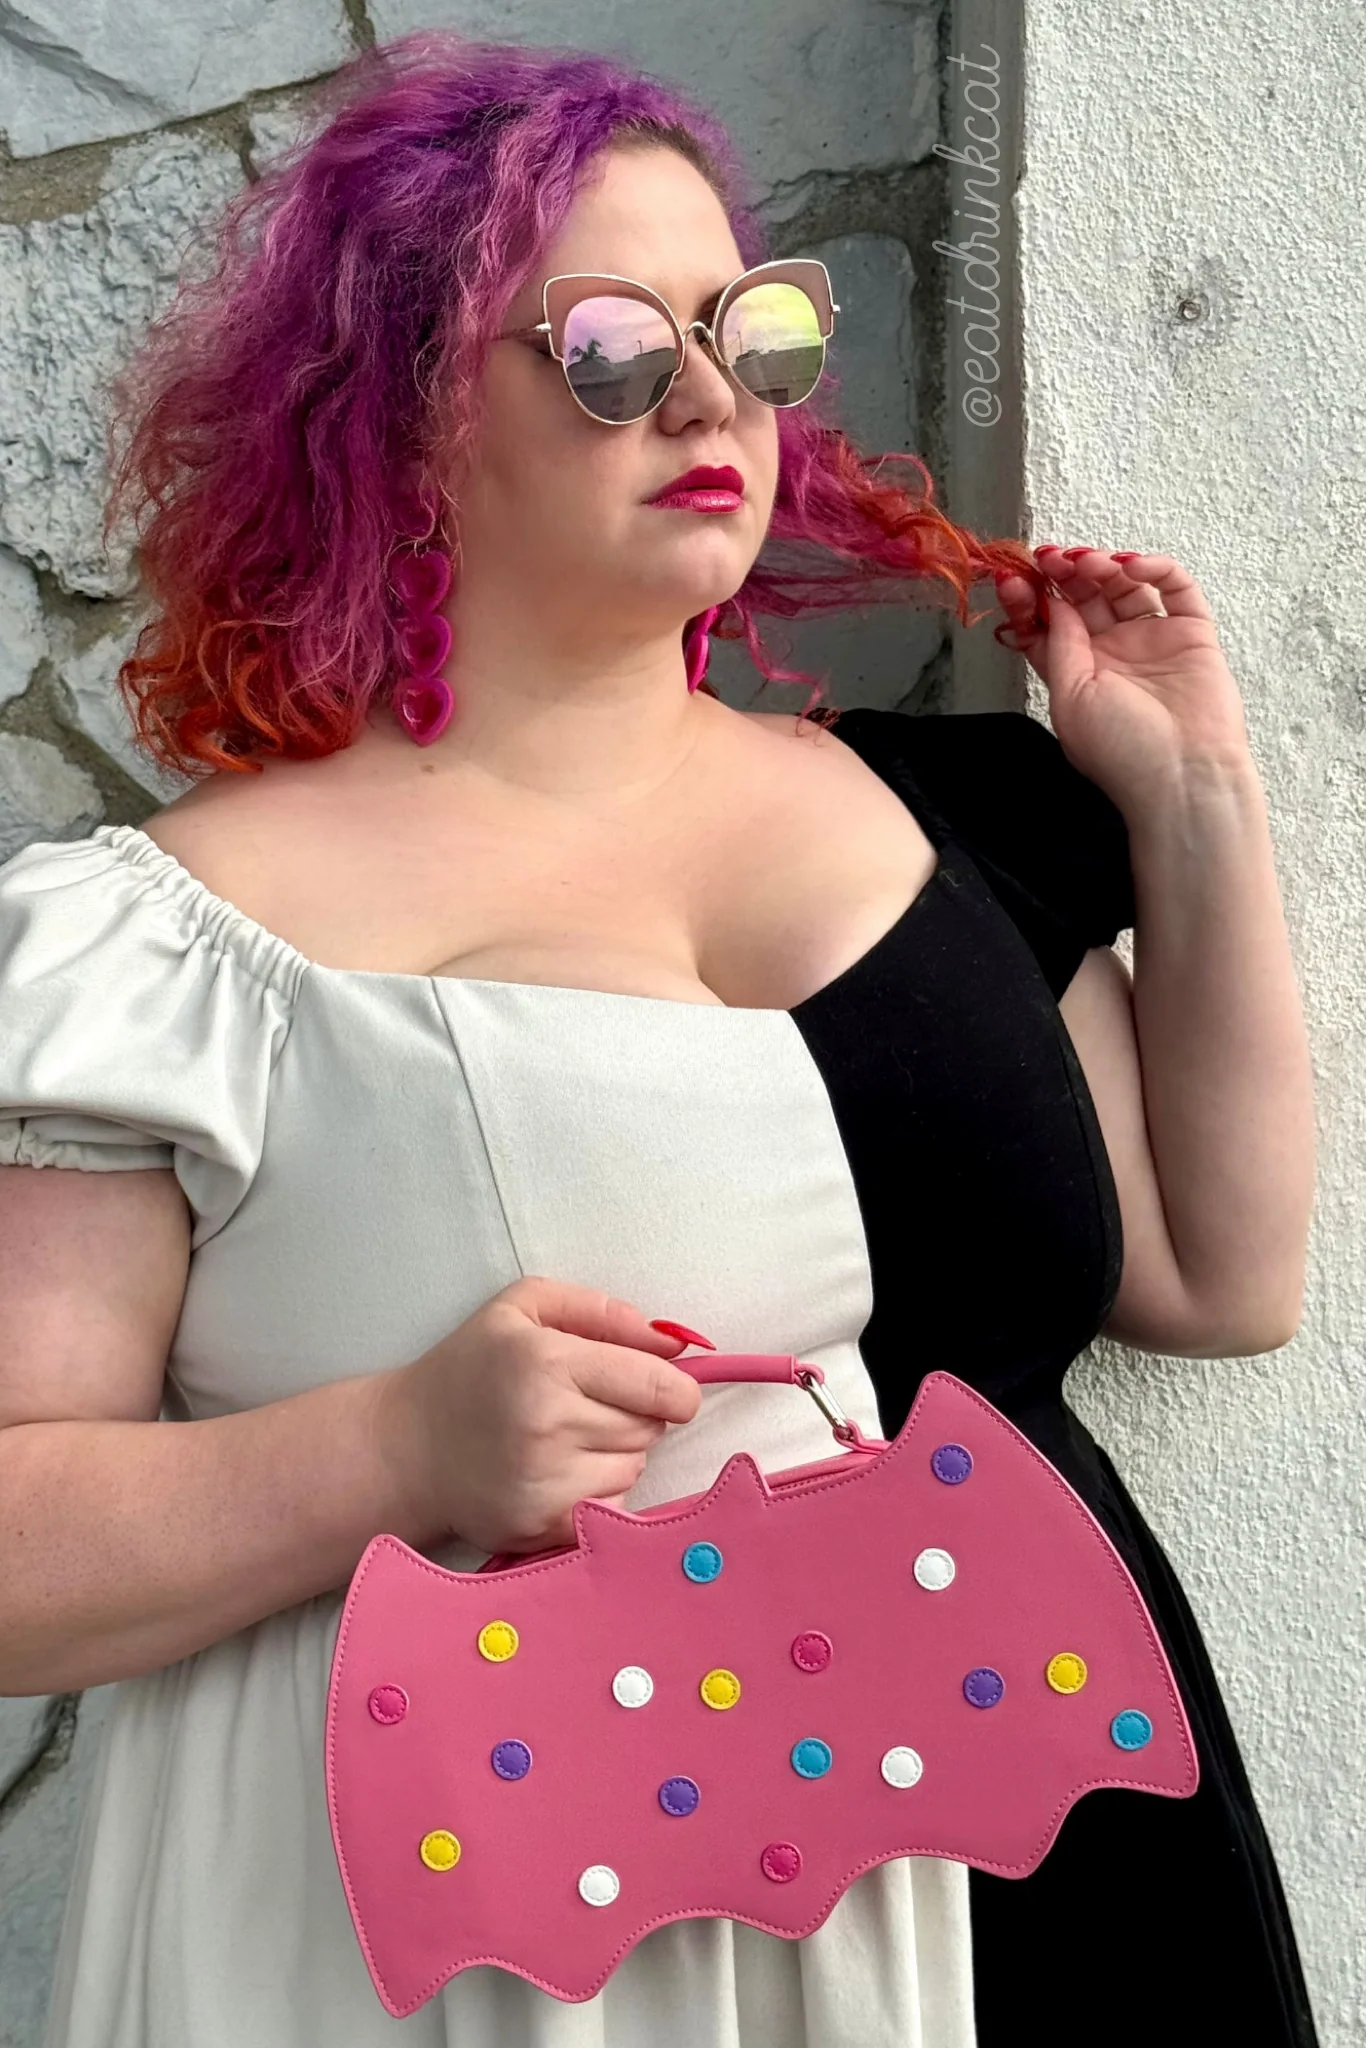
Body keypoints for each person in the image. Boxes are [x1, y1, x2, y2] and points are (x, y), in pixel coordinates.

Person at [0, 30, 1318, 2048]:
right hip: (571, 1966)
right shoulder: (172, 945)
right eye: (611, 346)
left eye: (749, 330)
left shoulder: (942, 819)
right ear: (396, 411)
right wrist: (386, 1451)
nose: (710, 397)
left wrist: (1193, 794)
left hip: (1062, 1876)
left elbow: (1219, 1280)